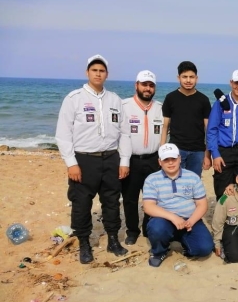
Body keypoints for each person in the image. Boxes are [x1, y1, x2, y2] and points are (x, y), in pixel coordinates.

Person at [55, 54, 131, 264]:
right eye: (94, 70)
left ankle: (113, 240)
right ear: (87, 72)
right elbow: (63, 134)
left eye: (102, 71)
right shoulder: (74, 99)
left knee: (112, 201)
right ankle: (84, 244)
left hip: (111, 158)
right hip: (84, 160)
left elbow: (125, 133)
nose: (98, 74)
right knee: (81, 203)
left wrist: (124, 161)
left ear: (107, 74)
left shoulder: (115, 100)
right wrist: (71, 163)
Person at [143, 143, 214, 267]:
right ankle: (159, 252)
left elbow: (202, 204)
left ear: (180, 159)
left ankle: (185, 244)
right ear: (160, 162)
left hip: (189, 221)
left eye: (173, 159)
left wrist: (191, 221)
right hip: (164, 220)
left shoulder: (193, 177)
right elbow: (148, 206)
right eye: (166, 160)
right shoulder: (152, 179)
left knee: (205, 248)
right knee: (157, 228)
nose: (170, 163)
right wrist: (173, 217)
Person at [120, 70, 163, 245]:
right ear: (136, 85)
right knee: (130, 198)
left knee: (152, 197)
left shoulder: (161, 108)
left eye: (151, 85)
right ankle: (132, 230)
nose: (147, 88)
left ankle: (147, 227)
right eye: (144, 84)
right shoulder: (124, 106)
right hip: (131, 160)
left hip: (154, 159)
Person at [207, 69, 238, 199]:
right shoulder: (220, 103)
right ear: (231, 83)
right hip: (224, 152)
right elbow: (212, 130)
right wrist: (215, 154)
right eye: (236, 83)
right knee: (222, 188)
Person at [160, 61, 211, 177]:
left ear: (196, 78)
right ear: (178, 78)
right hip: (176, 149)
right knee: (174, 182)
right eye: (184, 77)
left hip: (198, 151)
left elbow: (208, 130)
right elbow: (165, 127)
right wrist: (162, 152)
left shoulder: (203, 100)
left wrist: (207, 155)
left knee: (193, 183)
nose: (188, 80)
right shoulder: (170, 98)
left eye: (191, 77)